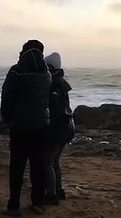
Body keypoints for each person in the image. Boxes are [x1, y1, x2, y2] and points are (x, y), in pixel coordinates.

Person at [1, 40, 52, 216]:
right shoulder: (46, 73)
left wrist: (7, 120)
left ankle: (14, 205)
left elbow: (7, 97)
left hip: (20, 127)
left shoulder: (16, 71)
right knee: (39, 166)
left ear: (23, 52)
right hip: (42, 127)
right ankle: (38, 202)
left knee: (17, 167)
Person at [44, 52, 75, 202]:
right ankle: (58, 189)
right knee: (55, 161)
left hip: (57, 128)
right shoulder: (61, 83)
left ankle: (51, 195)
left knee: (48, 162)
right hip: (66, 127)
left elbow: (54, 109)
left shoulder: (53, 84)